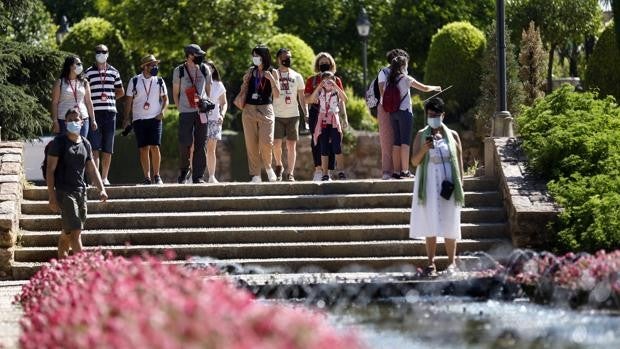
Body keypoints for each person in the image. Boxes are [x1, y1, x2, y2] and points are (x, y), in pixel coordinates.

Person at [410, 98, 464, 275]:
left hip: (448, 182)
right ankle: (430, 263)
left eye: (436, 114)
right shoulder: (421, 134)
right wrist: (424, 149)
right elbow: (414, 161)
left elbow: (460, 162)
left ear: (443, 115)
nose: (432, 117)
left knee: (450, 220)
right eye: (430, 114)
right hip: (429, 183)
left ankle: (452, 263)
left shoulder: (453, 135)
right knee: (430, 218)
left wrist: (460, 185)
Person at [46, 108, 107, 259]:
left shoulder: (85, 143)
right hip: (64, 192)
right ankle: (83, 271)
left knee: (68, 232)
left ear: (82, 122)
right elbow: (50, 170)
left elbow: (92, 170)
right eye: (70, 120)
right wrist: (52, 196)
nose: (73, 122)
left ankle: (61, 266)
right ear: (65, 122)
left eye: (76, 119)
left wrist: (102, 189)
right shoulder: (58, 143)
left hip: (81, 191)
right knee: (75, 232)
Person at [384, 55, 441, 179]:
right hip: (405, 112)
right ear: (403, 66)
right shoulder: (406, 78)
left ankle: (396, 171)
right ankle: (405, 170)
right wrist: (435, 88)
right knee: (405, 141)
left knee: (397, 142)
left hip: (393, 113)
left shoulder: (390, 79)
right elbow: (424, 88)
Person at [124, 54, 169, 185]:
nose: (155, 67)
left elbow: (166, 99)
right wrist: (126, 118)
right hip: (139, 119)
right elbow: (128, 100)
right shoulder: (135, 81)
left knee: (155, 146)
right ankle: (147, 177)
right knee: (143, 148)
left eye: (156, 64)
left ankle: (157, 175)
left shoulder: (159, 81)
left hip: (155, 118)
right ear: (145, 67)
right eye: (152, 65)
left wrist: (163, 111)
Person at [84, 44, 125, 186]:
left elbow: (121, 91)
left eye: (104, 51)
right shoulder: (88, 72)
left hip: (110, 113)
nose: (101, 53)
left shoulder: (114, 72)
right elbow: (84, 93)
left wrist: (110, 98)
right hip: (94, 113)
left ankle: (104, 177)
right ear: (94, 54)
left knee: (108, 147)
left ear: (108, 54)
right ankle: (95, 179)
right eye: (98, 52)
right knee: (94, 147)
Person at [239, 45, 281, 182]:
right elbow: (243, 89)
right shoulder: (251, 71)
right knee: (251, 144)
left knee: (266, 142)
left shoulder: (273, 72)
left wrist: (272, 80)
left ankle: (269, 168)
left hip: (266, 109)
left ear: (264, 57)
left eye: (257, 55)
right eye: (253, 55)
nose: (254, 58)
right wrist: (245, 80)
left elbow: (277, 94)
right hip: (249, 109)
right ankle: (255, 175)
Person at [172, 44, 212, 184]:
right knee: (185, 143)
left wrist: (205, 103)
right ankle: (184, 171)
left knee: (201, 144)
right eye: (197, 54)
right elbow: (175, 93)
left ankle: (198, 176)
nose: (200, 57)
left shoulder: (204, 68)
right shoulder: (179, 71)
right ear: (189, 55)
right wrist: (180, 108)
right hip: (186, 111)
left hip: (201, 111)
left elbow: (208, 90)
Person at [304, 52, 346, 181]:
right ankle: (319, 170)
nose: (324, 65)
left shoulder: (336, 80)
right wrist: (319, 88)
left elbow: (341, 100)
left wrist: (345, 117)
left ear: (331, 64)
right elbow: (307, 100)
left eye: (326, 63)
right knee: (317, 141)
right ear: (317, 65)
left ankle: (329, 171)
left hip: (333, 114)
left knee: (333, 141)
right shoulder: (312, 80)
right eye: (321, 63)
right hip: (317, 113)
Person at [272, 48, 306, 181]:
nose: (288, 59)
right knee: (276, 144)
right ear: (278, 59)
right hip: (277, 114)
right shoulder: (273, 74)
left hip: (293, 114)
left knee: (291, 145)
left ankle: (290, 172)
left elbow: (302, 97)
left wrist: (306, 112)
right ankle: (279, 164)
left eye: (290, 57)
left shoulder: (297, 76)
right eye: (285, 57)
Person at [376, 49, 408, 180]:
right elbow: (383, 91)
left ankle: (399, 170)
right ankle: (386, 171)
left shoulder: (403, 73)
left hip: (398, 108)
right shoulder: (384, 72)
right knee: (387, 140)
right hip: (386, 108)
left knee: (397, 139)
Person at [51, 55, 97, 137]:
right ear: (70, 66)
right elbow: (54, 103)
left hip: (82, 119)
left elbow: (89, 102)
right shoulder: (60, 82)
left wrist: (93, 120)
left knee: (81, 145)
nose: (80, 66)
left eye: (81, 64)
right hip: (64, 120)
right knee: (65, 147)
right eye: (78, 64)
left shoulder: (84, 82)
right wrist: (55, 121)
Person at [205, 60, 227, 183]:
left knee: (211, 149)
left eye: (210, 67)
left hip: (214, 119)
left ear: (213, 69)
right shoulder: (198, 82)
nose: (208, 69)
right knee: (195, 148)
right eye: (205, 67)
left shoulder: (219, 85)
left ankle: (211, 176)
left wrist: (222, 115)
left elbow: (224, 103)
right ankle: (193, 176)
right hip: (200, 119)